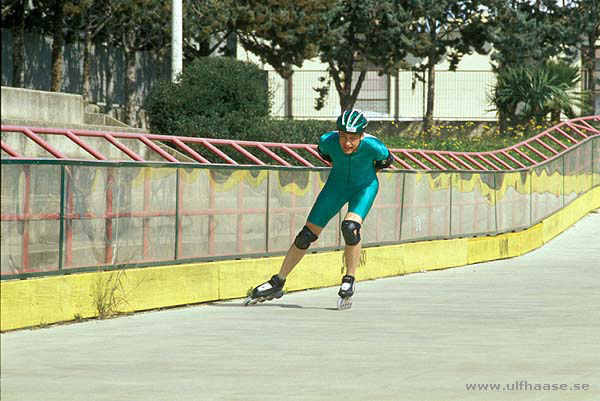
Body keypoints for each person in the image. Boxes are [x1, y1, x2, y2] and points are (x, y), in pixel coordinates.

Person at [243, 109, 394, 309]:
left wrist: (362, 174)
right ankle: (278, 281)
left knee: (350, 228)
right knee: (306, 235)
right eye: (343, 137)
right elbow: (327, 156)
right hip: (336, 186)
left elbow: (385, 162)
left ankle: (349, 278)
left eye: (352, 138)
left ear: (361, 136)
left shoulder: (375, 147)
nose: (347, 143)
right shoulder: (326, 141)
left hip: (364, 187)